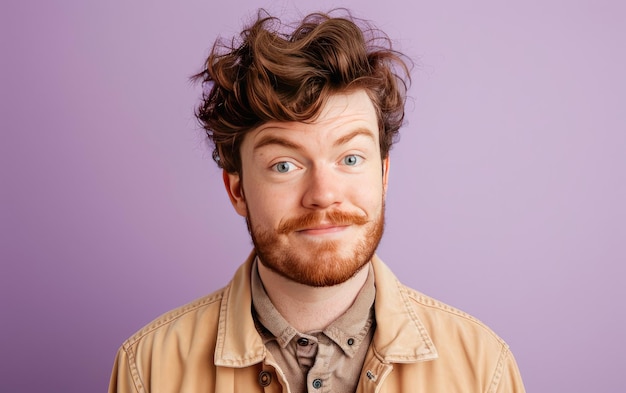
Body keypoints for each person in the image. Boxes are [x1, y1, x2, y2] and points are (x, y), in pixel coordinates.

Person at [109, 9, 525, 393]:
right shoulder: (147, 370)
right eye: (284, 165)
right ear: (236, 190)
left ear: (382, 175)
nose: (323, 194)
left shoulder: (481, 368)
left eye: (350, 158)